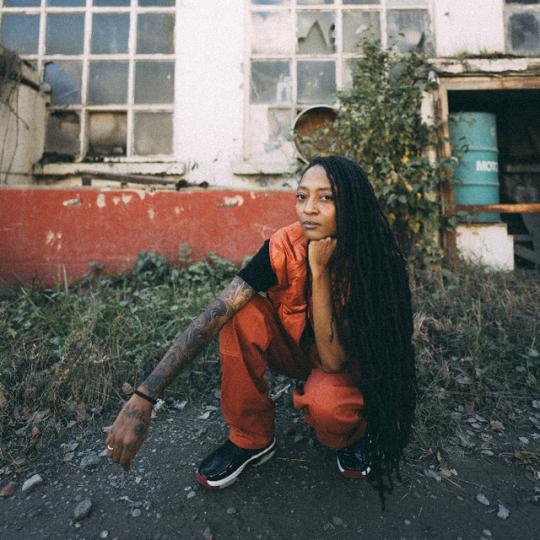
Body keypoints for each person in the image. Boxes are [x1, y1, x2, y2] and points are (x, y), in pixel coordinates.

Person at [106, 155, 416, 503]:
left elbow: (334, 361)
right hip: (300, 348)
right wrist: (145, 396)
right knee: (238, 313)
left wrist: (319, 271)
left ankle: (357, 431)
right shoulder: (284, 246)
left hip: (347, 366)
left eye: (326, 198)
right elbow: (214, 314)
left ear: (352, 204)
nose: (309, 209)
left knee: (330, 409)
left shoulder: (377, 260)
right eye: (302, 196)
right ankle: (251, 438)